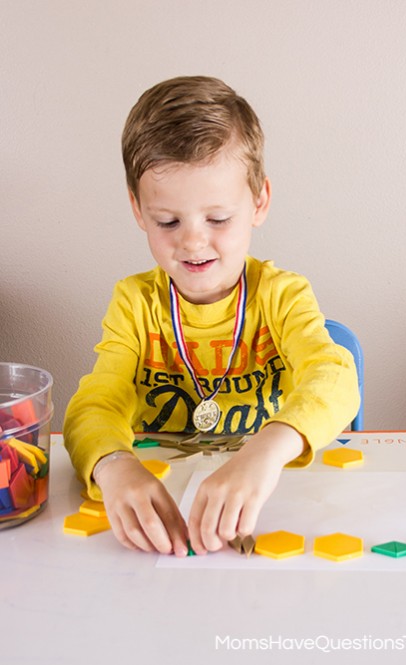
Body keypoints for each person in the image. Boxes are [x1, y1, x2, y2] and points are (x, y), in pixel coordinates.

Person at [63, 76, 360, 556]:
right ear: (138, 210)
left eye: (217, 219)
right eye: (168, 221)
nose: (193, 241)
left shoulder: (281, 296)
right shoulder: (134, 304)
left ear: (259, 202)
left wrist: (266, 450)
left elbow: (335, 377)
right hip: (171, 523)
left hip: (269, 511)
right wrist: (115, 466)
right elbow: (95, 404)